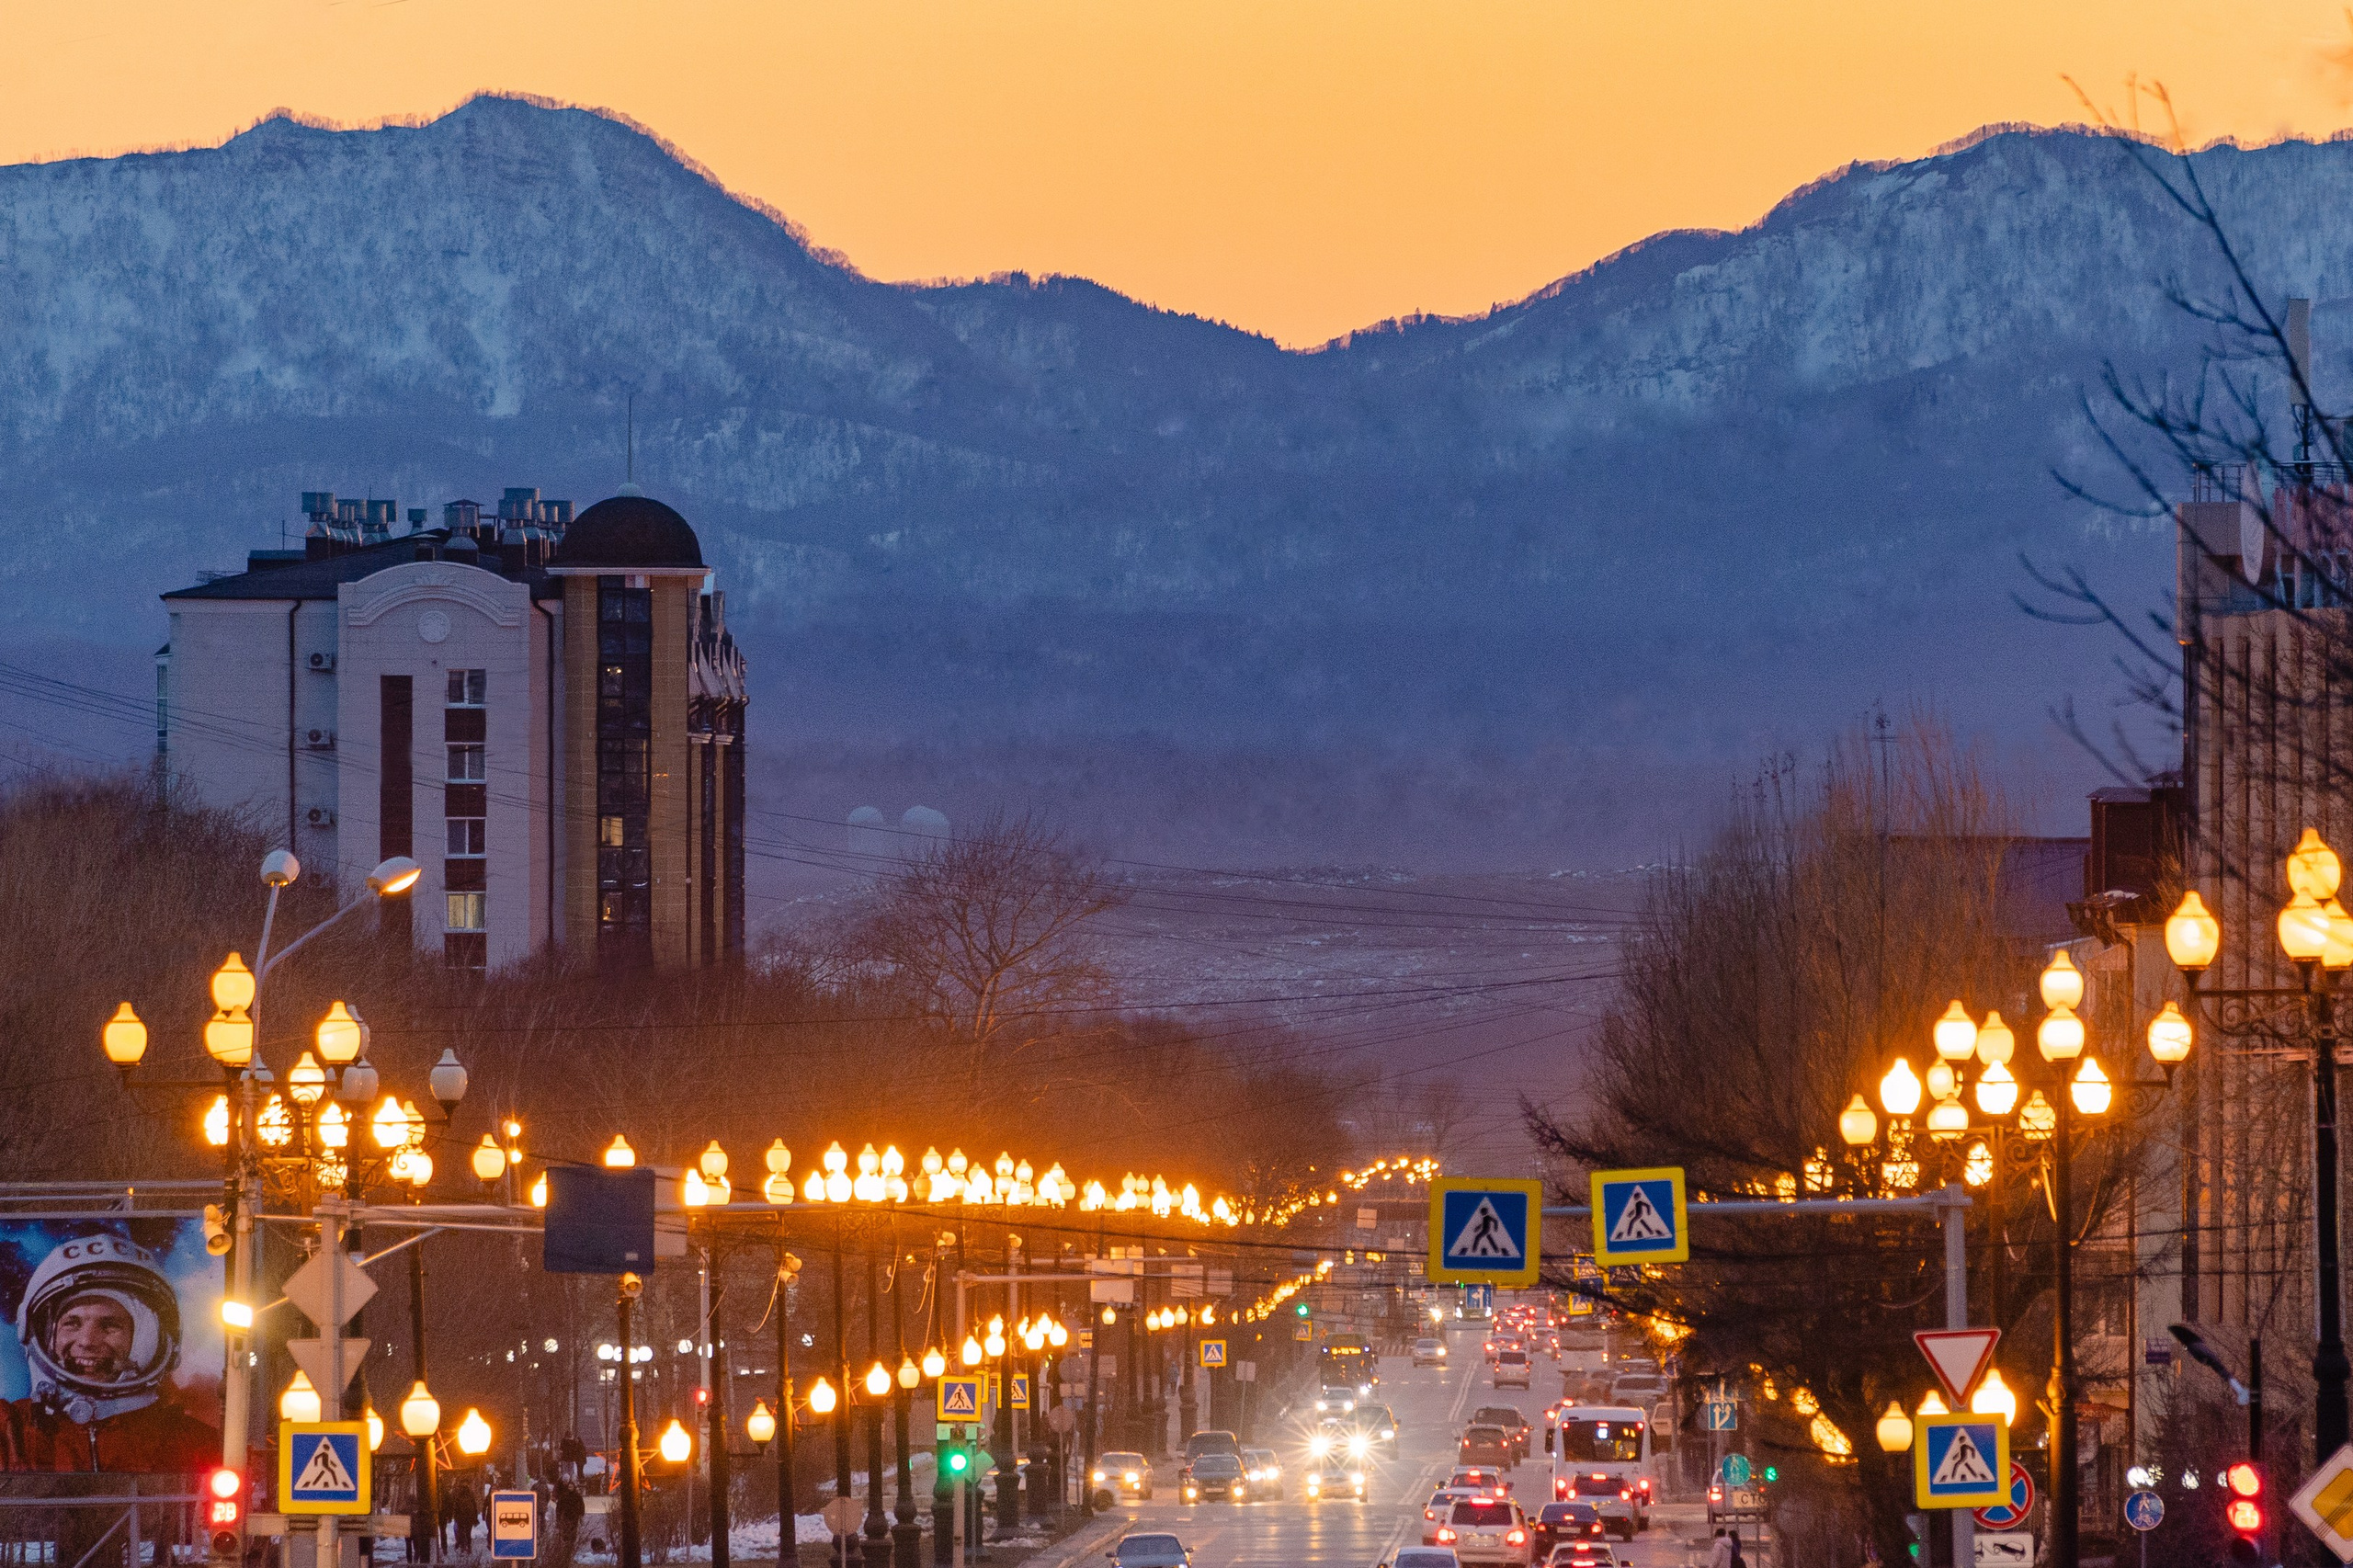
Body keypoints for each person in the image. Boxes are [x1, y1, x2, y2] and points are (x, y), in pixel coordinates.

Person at [0, 1233, 218, 1473]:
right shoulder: (11, 1433)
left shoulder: (192, 1443)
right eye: (72, 1323)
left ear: (144, 1340)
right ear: (40, 1333)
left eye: (110, 1325)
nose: (87, 1342)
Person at [451, 1477, 481, 1553]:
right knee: (465, 1533)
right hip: (465, 1517)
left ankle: (465, 1547)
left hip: (465, 1517)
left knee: (465, 1533)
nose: (465, 1485)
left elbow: (473, 1506)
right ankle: (465, 1547)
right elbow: (473, 1506)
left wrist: (474, 1516)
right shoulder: (465, 1493)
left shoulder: (463, 1493)